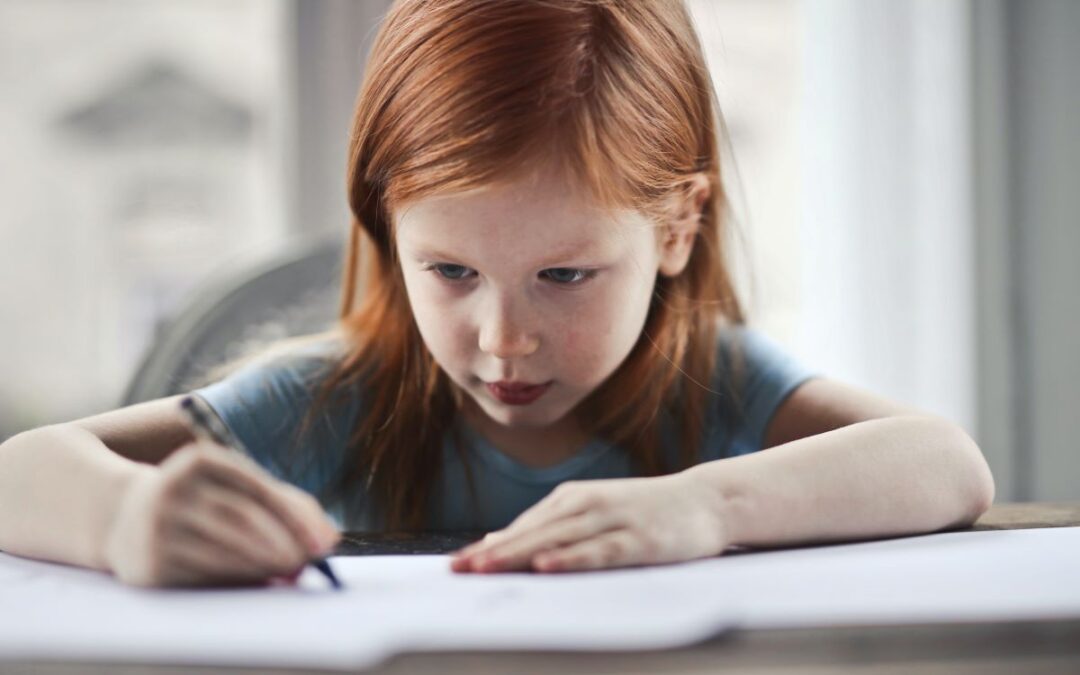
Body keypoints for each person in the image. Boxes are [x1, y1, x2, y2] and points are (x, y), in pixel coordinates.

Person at [0, 0, 994, 587]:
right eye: (450, 272)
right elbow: (21, 471)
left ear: (678, 228)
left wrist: (707, 504)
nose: (504, 340)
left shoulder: (713, 383)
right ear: (390, 231)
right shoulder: (334, 396)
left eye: (564, 276)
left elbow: (945, 464)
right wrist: (123, 521)